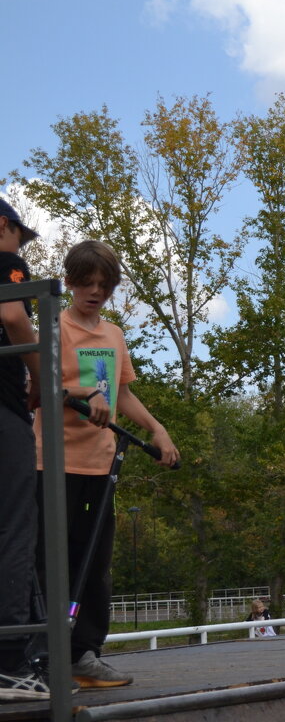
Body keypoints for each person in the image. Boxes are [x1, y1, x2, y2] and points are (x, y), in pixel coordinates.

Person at [34, 240, 180, 689]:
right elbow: (39, 387)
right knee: (46, 560)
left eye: (104, 285)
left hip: (101, 466)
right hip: (53, 463)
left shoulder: (113, 334)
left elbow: (123, 392)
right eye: (86, 283)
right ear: (70, 281)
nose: (95, 292)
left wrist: (159, 429)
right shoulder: (54, 327)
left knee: (94, 561)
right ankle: (38, 655)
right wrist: (83, 396)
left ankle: (85, 654)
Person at [0, 200, 50, 702]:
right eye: (20, 236)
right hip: (3, 409)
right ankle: (10, 663)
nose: (21, 248)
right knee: (15, 528)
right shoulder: (5, 260)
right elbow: (13, 314)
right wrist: (39, 375)